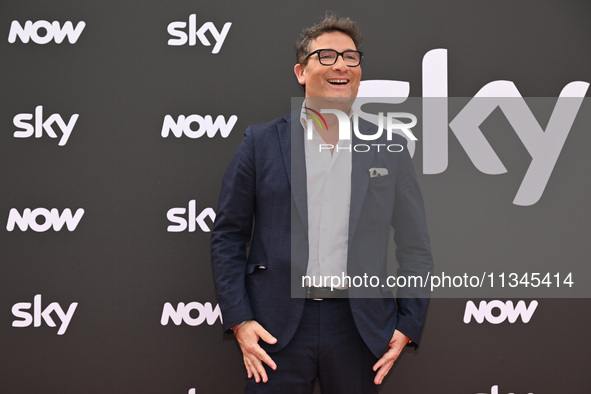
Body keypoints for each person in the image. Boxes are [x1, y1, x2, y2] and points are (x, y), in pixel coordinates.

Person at [211, 14, 433, 394]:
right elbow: (228, 236)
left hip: (358, 327)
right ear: (301, 71)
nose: (342, 65)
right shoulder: (261, 143)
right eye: (326, 56)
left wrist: (408, 322)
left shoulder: (389, 148)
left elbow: (415, 247)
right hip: (275, 327)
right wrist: (240, 320)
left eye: (351, 57)